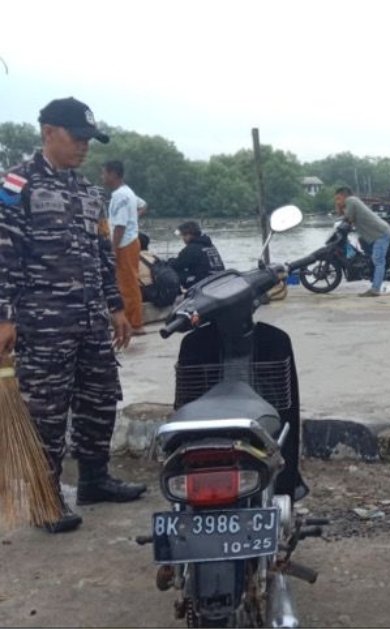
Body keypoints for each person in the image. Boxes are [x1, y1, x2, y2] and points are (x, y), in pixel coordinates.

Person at [0, 97, 146, 534]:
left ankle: (94, 480)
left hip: (90, 319)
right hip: (42, 323)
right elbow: (5, 253)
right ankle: (45, 499)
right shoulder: (15, 184)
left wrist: (116, 307)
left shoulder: (88, 192)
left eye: (88, 140)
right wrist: (5, 316)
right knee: (46, 411)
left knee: (100, 398)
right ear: (48, 132)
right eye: (77, 137)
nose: (84, 147)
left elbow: (102, 253)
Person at [102, 160, 144, 334]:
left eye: (104, 173)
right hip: (130, 240)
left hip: (124, 243)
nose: (102, 177)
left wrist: (113, 248)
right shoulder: (128, 192)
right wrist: (134, 218)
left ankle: (134, 323)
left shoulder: (120, 195)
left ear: (113, 174)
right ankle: (131, 321)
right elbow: (143, 205)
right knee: (127, 282)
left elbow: (120, 225)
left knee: (127, 284)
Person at [334, 186, 390, 297]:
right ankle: (373, 276)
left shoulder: (351, 200)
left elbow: (349, 219)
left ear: (344, 196)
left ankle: (375, 289)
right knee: (362, 244)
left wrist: (340, 207)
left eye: (338, 198)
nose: (337, 201)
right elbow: (343, 216)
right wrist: (339, 206)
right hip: (373, 235)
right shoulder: (351, 202)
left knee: (378, 261)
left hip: (380, 234)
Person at [169, 221, 225, 289]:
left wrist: (166, 262)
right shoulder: (210, 246)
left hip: (204, 283)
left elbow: (176, 265)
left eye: (184, 235)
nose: (183, 238)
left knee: (174, 274)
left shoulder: (192, 249)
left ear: (190, 234)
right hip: (218, 280)